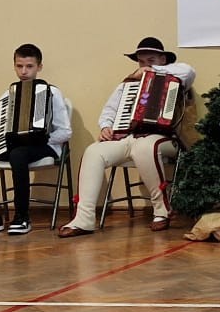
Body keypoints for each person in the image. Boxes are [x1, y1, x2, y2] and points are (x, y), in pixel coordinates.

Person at [59, 37, 194, 237]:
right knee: (94, 151)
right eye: (141, 62)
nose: (144, 66)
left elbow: (189, 71)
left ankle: (161, 210)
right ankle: (83, 219)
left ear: (163, 59)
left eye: (151, 60)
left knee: (144, 147)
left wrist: (153, 70)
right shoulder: (129, 84)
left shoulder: (177, 76)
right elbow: (109, 111)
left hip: (164, 138)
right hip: (128, 137)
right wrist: (106, 126)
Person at [0, 44, 72, 237]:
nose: (24, 71)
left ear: (39, 67)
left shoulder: (52, 92)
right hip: (12, 147)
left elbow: (65, 132)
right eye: (19, 66)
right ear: (14, 66)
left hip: (46, 146)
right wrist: (4, 140)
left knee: (19, 154)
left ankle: (21, 217)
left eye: (29, 66)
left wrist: (39, 138)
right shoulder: (7, 96)